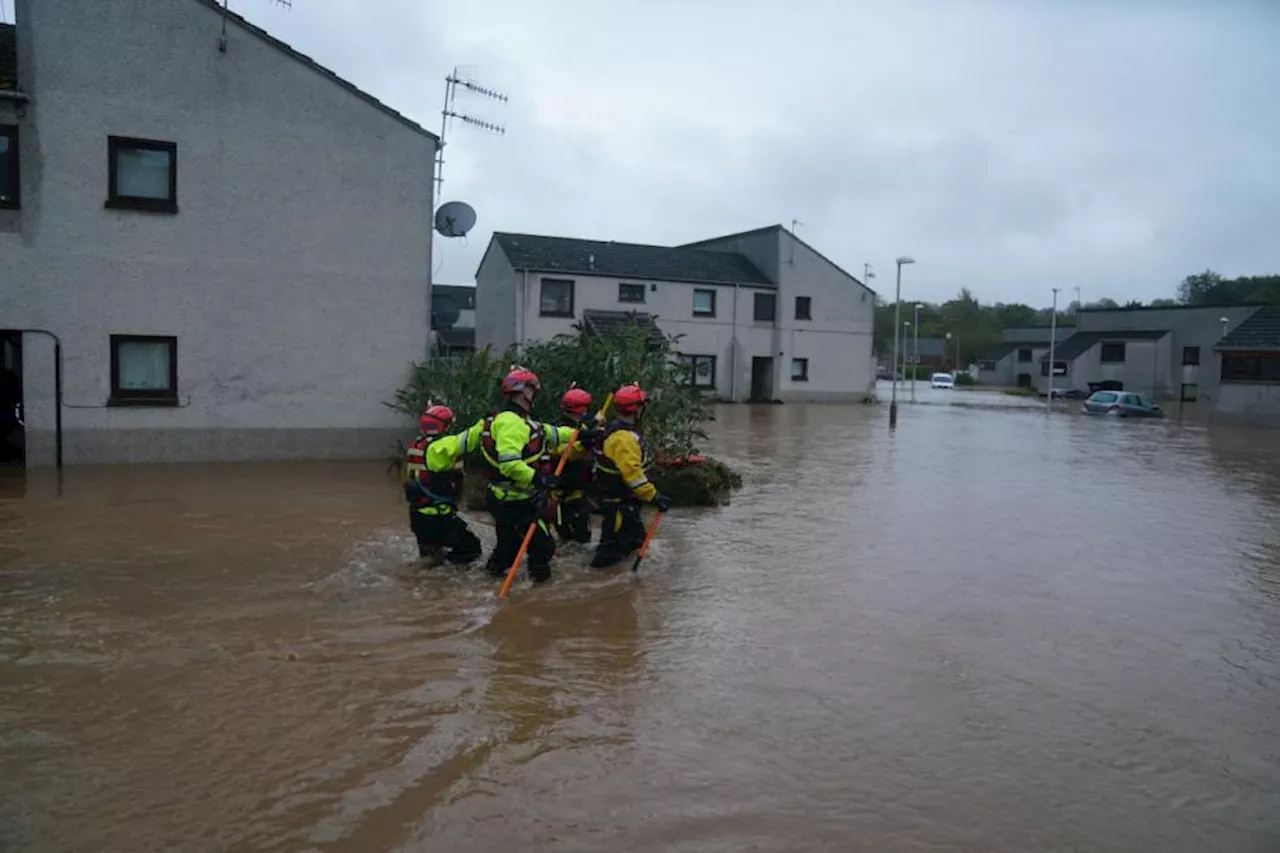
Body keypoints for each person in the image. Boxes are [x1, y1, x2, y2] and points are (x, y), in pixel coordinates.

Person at [473, 367, 580, 583]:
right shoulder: (511, 423)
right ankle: (537, 597)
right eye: (533, 390)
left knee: (507, 549)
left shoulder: (511, 420)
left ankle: (492, 583)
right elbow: (510, 465)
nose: (535, 395)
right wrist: (540, 479)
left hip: (505, 500)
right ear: (525, 392)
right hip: (518, 502)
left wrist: (583, 434)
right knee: (542, 549)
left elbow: (551, 432)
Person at [590, 383, 671, 569]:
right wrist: (655, 497)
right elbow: (633, 476)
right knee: (611, 555)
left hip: (618, 503)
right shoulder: (624, 439)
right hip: (620, 505)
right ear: (637, 410)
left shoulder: (611, 430)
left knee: (630, 546)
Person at [403, 404, 483, 565]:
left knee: (430, 557)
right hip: (439, 517)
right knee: (472, 550)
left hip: (418, 516)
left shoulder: (418, 445)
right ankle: (452, 580)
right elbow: (469, 439)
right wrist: (487, 423)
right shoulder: (440, 448)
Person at [548, 385, 596, 544]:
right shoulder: (557, 431)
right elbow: (564, 452)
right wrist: (585, 444)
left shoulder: (581, 428)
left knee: (577, 538)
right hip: (563, 494)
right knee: (573, 538)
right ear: (582, 410)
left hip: (578, 492)